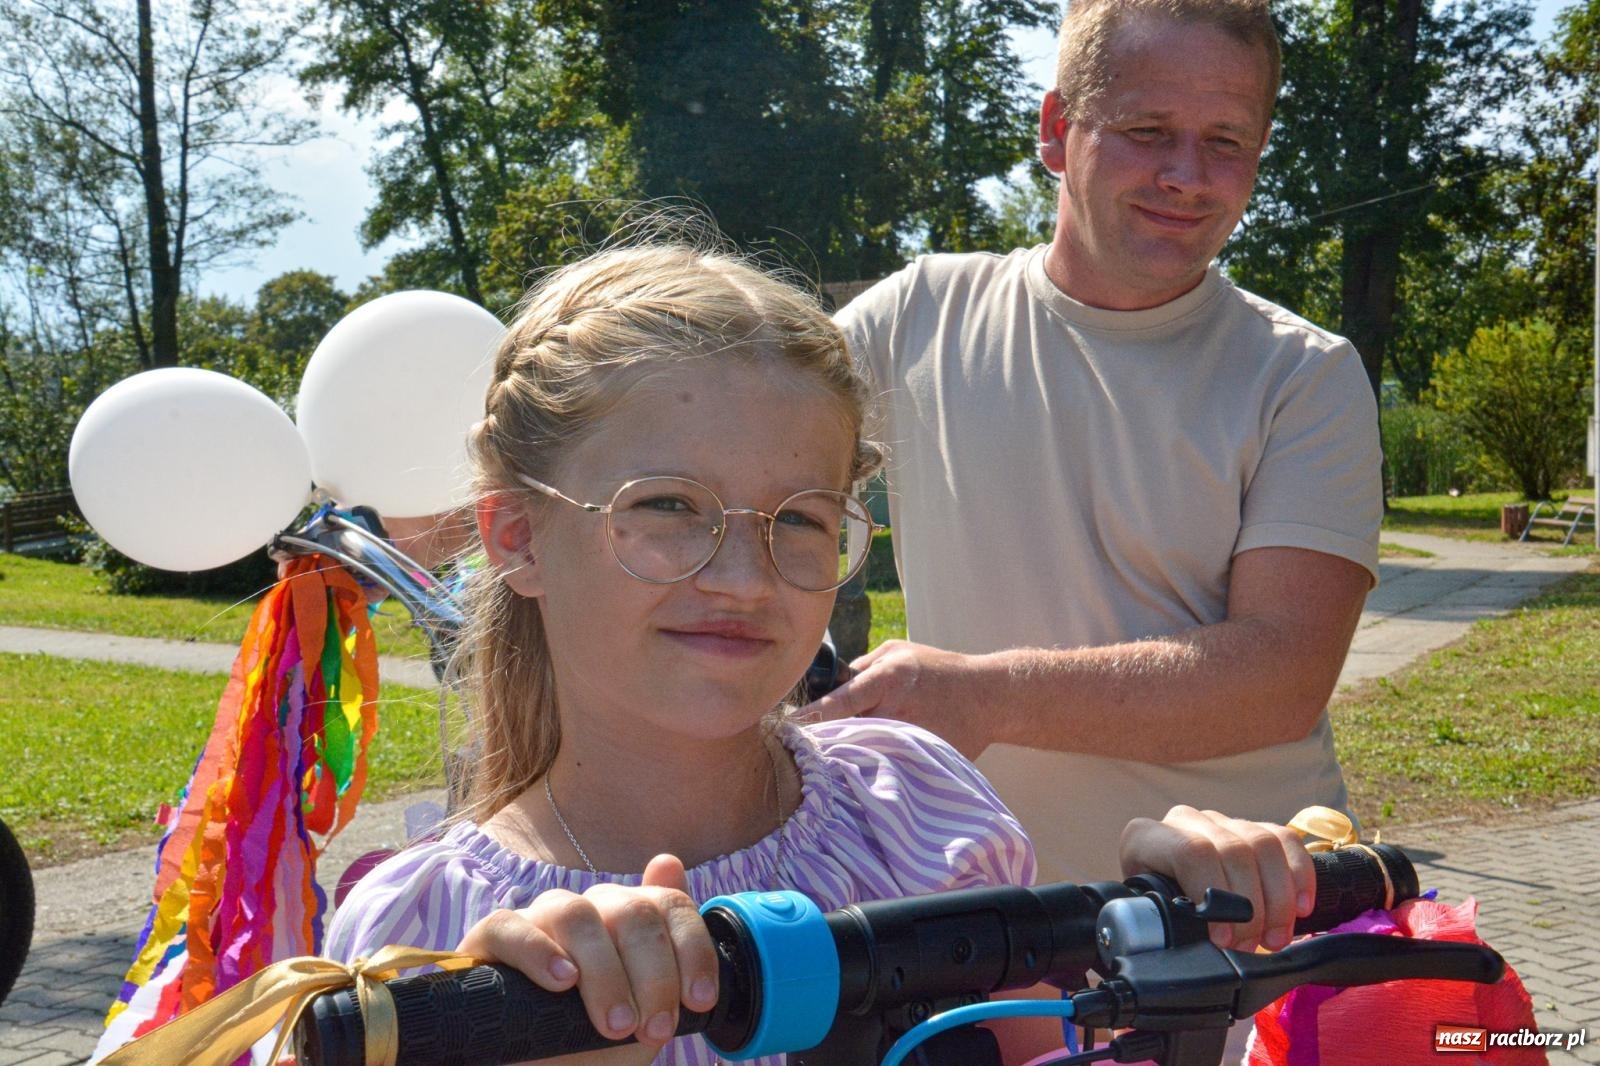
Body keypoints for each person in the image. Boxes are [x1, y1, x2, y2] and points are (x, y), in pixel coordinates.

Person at [325, 240, 1321, 1065]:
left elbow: (1032, 1049)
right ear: (516, 537)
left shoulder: (908, 810)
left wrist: (1170, 951)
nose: (747, 577)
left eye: (800, 519)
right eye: (667, 507)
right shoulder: (423, 948)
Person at [819, 0, 1383, 886]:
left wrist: (982, 694)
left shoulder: (1303, 376)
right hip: (981, 923)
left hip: (1239, 926)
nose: (1187, 175)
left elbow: (1282, 677)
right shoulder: (914, 318)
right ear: (1056, 130)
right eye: (1147, 129)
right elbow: (728, 445)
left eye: (1227, 141)